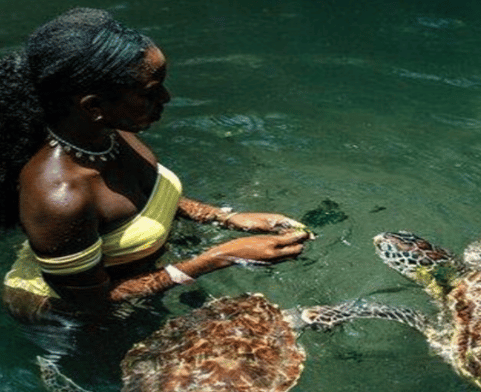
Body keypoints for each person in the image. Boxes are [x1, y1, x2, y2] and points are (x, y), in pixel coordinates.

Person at [0, 8, 311, 328]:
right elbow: (91, 305)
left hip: (133, 278)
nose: (167, 97)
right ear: (93, 106)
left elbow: (146, 193)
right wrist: (219, 258)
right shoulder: (61, 197)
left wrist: (225, 217)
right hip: (66, 321)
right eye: (149, 93)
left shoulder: (109, 133)